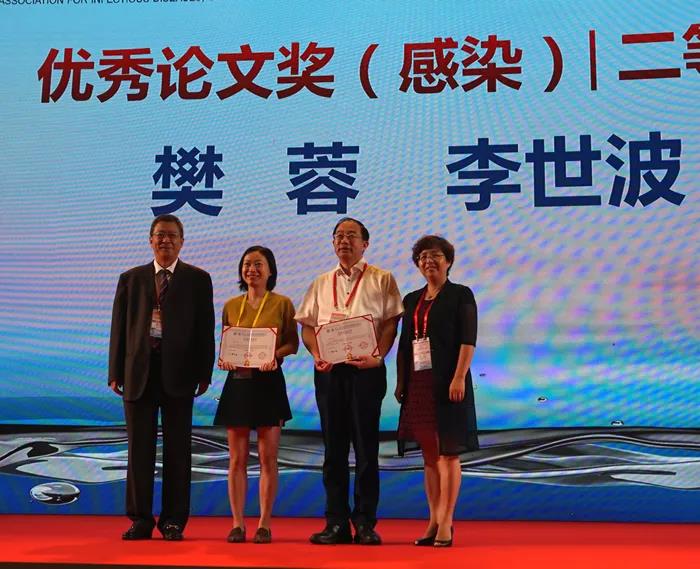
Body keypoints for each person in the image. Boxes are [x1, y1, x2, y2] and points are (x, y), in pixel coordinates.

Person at [296, 218, 403, 545]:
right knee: (334, 449)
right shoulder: (320, 282)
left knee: (366, 449)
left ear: (365, 243)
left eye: (351, 236)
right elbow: (308, 327)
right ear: (333, 243)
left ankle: (366, 523)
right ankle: (336, 523)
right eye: (339, 236)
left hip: (366, 371)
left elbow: (390, 324)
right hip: (330, 373)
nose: (344, 241)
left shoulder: (382, 278)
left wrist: (378, 356)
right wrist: (317, 354)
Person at [108, 214, 215, 541]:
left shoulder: (198, 279)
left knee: (178, 452)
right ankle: (140, 519)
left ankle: (173, 521)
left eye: (171, 235)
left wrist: (204, 372)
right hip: (138, 373)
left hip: (180, 375)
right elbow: (119, 328)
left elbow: (205, 330)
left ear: (182, 242)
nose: (165, 240)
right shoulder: (131, 278)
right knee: (138, 451)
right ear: (150, 240)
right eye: (159, 235)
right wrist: (115, 371)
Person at [395, 235, 478, 548]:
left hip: (448, 382)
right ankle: (432, 519)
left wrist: (459, 377)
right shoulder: (411, 299)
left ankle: (447, 521)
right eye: (423, 257)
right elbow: (405, 345)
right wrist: (401, 382)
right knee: (429, 456)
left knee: (448, 454)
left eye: (435, 256)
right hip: (418, 384)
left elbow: (468, 340)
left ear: (448, 261)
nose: (428, 261)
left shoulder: (461, 294)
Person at [214, 246, 298, 544]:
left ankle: (264, 524)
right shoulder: (230, 305)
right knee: (236, 459)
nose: (252, 269)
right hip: (238, 383)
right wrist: (224, 359)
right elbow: (227, 344)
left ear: (270, 270)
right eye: (247, 264)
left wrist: (275, 355)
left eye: (259, 264)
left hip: (269, 383)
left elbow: (292, 344)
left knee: (267, 458)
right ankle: (237, 523)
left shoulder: (283, 303)